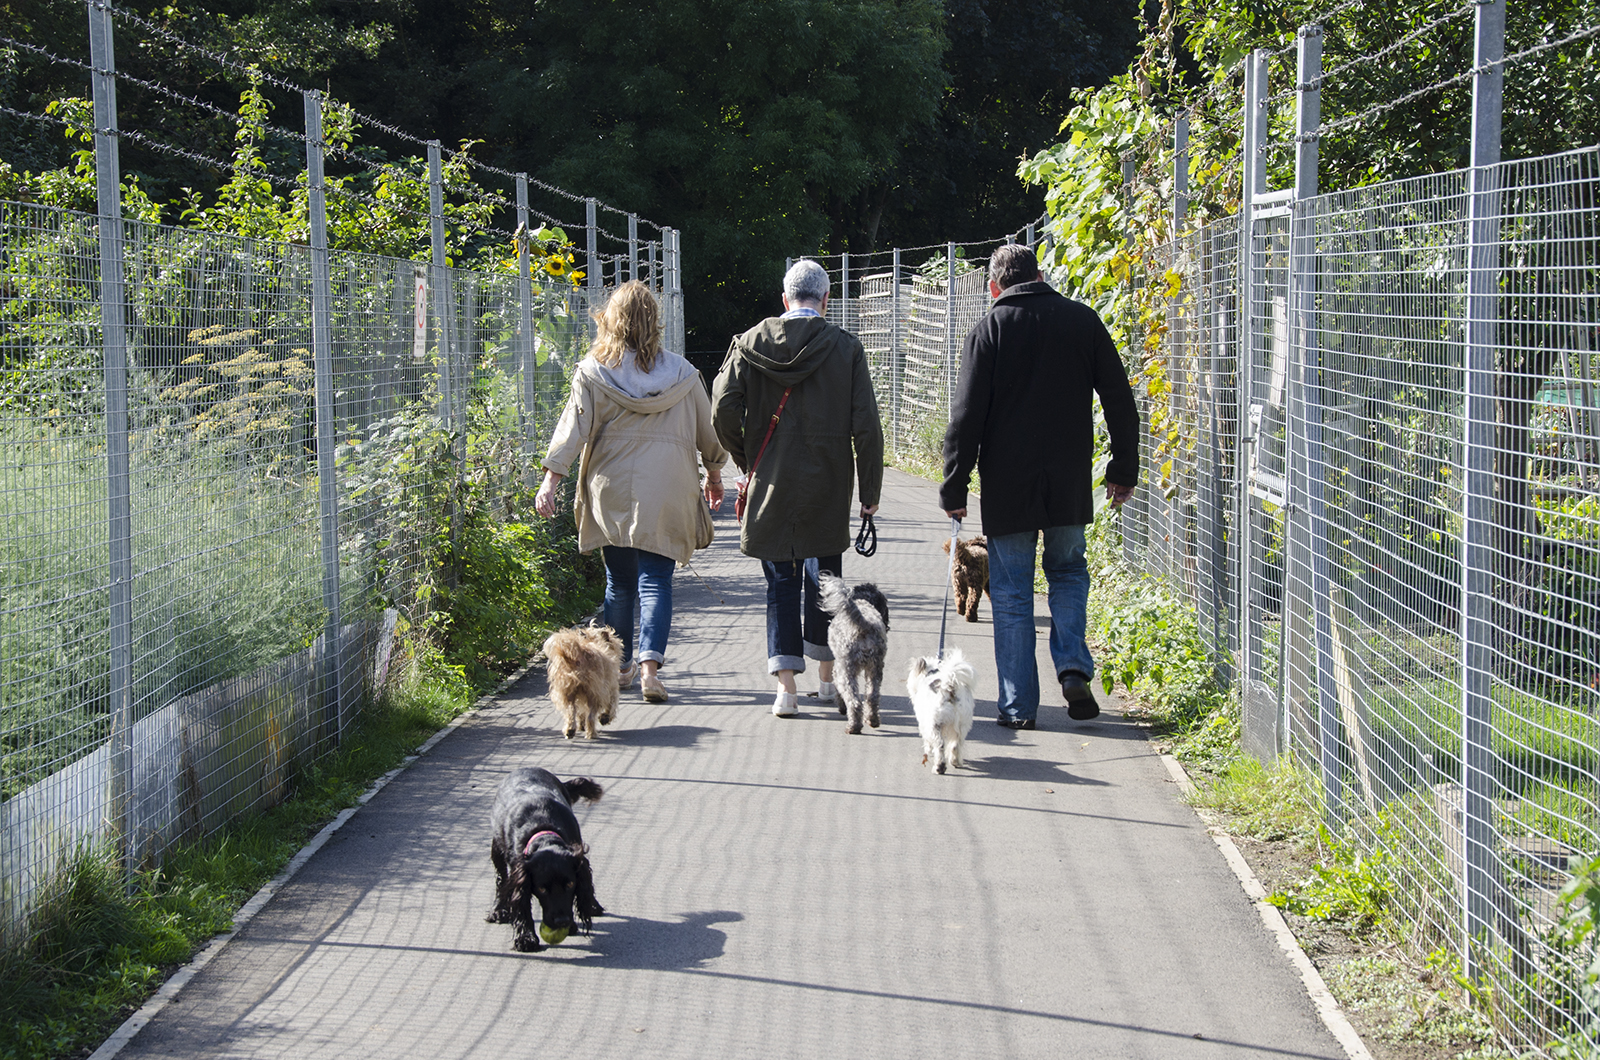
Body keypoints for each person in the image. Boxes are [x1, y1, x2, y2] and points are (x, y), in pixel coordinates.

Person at [940, 243, 1139, 730]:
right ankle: (1072, 667)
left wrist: (955, 485)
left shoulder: (988, 330)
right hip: (1068, 480)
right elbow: (1118, 396)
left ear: (994, 287)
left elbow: (966, 417)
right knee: (1068, 572)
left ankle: (1018, 708)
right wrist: (1123, 467)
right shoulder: (1082, 321)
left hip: (1008, 487)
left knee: (1009, 593)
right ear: (1041, 274)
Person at [536, 280, 728, 704]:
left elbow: (572, 431)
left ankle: (618, 667)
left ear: (612, 320)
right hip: (668, 488)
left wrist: (551, 479)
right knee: (656, 580)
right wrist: (715, 474)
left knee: (619, 582)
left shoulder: (593, 371)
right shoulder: (682, 374)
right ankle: (649, 671)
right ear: (654, 322)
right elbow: (707, 431)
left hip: (612, 489)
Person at [712, 259, 884, 717]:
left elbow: (723, 408)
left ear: (785, 299)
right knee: (826, 579)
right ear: (825, 300)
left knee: (780, 583)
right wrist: (869, 492)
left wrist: (747, 459)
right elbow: (867, 426)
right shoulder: (846, 349)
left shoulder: (749, 345)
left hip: (771, 476)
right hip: (828, 480)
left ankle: (785, 688)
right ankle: (828, 681)